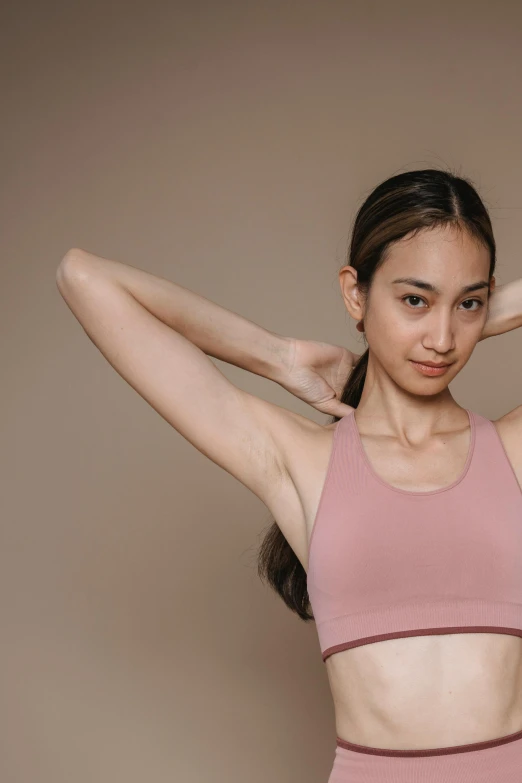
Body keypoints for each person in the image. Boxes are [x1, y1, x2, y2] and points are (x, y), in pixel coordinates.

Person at [56, 168, 522, 782]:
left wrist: (482, 316)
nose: (440, 338)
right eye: (414, 299)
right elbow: (83, 277)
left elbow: (448, 328)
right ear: (355, 294)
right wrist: (275, 356)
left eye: (466, 301)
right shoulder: (301, 459)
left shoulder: (511, 451)